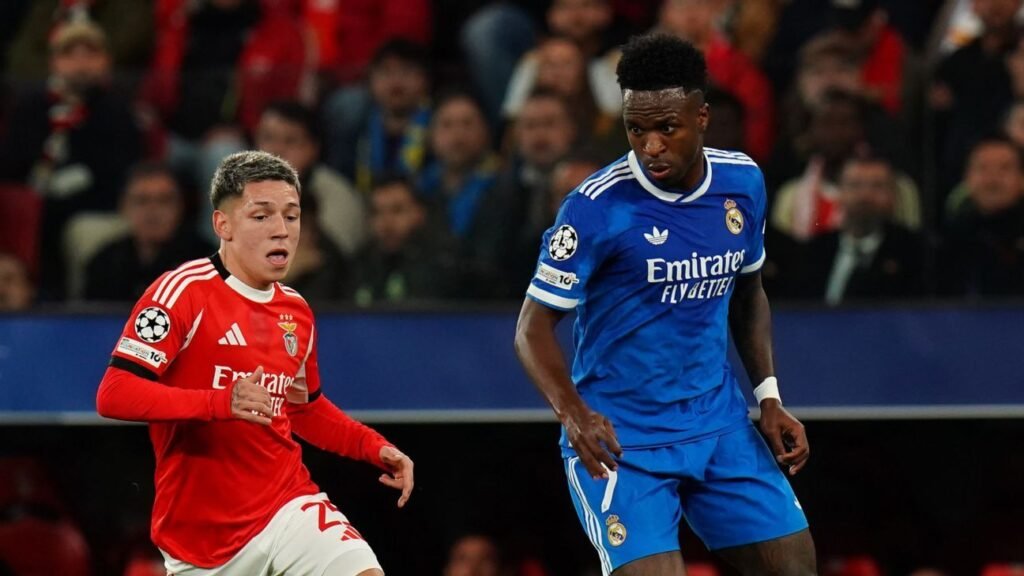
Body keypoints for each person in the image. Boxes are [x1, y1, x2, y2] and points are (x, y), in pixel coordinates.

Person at [513, 34, 815, 575]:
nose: (649, 146)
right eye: (636, 129)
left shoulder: (742, 182)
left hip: (719, 425)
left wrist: (768, 396)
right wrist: (574, 414)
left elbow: (748, 292)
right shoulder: (595, 207)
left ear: (702, 117)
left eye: (666, 128)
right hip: (624, 442)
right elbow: (531, 329)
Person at [95, 151, 414, 575]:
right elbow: (114, 393)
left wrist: (372, 446)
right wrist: (219, 402)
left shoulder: (296, 311)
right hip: (201, 538)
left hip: (287, 505)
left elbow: (303, 408)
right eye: (261, 216)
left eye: (291, 216)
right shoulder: (182, 292)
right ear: (222, 225)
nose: (281, 230)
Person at [799, 153, 928, 304]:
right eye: (855, 185)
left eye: (877, 186)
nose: (865, 195)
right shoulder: (814, 252)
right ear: (839, 192)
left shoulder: (916, 254)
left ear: (893, 195)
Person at [84, 162, 212, 302]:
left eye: (164, 201)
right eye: (141, 201)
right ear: (123, 207)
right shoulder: (104, 263)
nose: (152, 211)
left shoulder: (208, 263)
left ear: (180, 207)